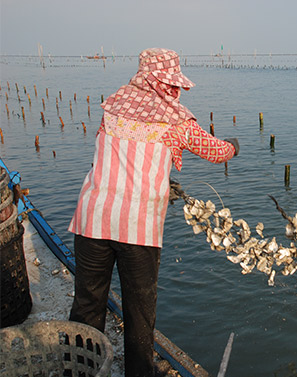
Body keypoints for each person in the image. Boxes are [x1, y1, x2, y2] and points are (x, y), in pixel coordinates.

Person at [68, 48, 238, 377]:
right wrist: (233, 145)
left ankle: (79, 369)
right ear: (164, 81)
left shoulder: (114, 105)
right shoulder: (176, 120)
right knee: (139, 313)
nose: (175, 90)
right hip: (137, 227)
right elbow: (215, 152)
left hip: (92, 218)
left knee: (87, 305)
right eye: (172, 84)